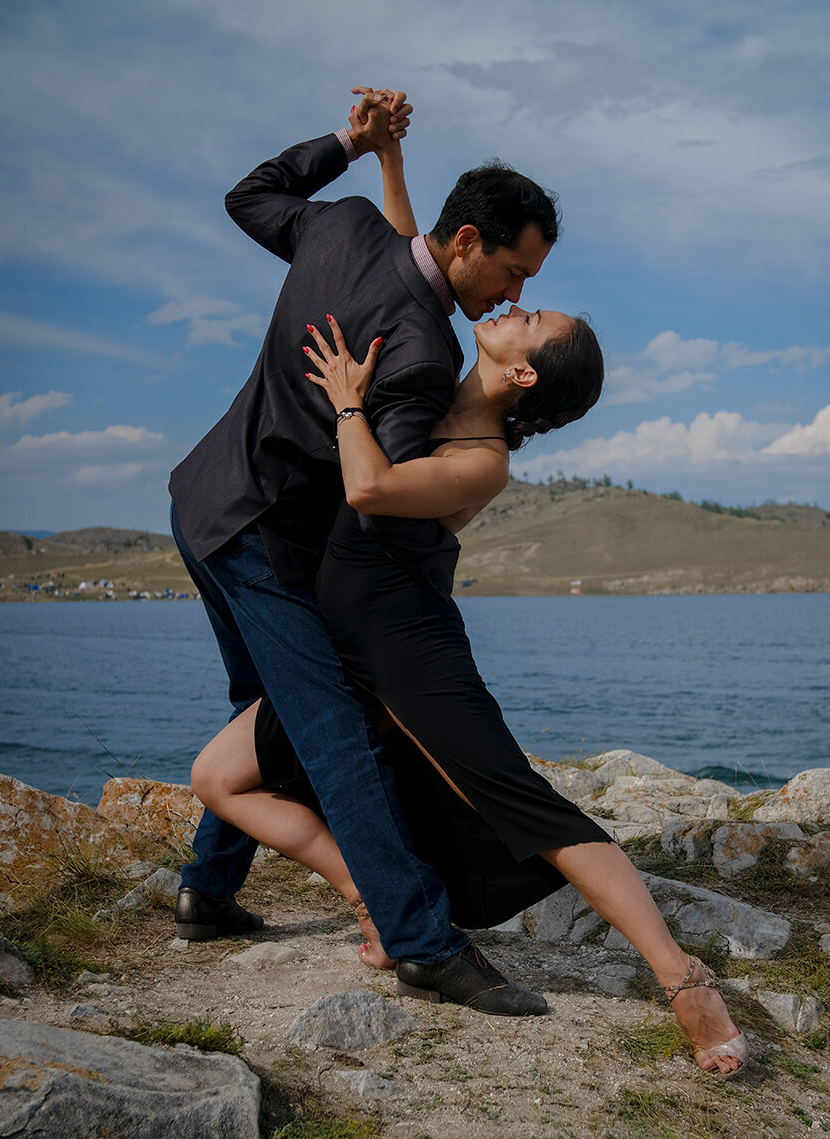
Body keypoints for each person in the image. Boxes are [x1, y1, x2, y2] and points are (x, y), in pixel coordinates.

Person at [192, 161, 748, 1080]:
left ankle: (685, 981)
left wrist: (341, 399)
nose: (514, 304)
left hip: (409, 647)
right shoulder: (438, 372)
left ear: (522, 367)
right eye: (519, 291)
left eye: (529, 316)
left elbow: (369, 486)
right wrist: (388, 161)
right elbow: (426, 259)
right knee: (220, 777)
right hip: (346, 642)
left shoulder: (482, 457)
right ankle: (374, 897)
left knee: (529, 806)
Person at [169, 86, 562, 1015]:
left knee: (261, 708)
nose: (516, 293)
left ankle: (207, 890)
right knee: (333, 731)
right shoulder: (422, 354)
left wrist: (357, 144)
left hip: (200, 504)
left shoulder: (341, 227)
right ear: (468, 241)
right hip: (266, 544)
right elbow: (378, 489)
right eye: (513, 271)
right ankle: (423, 939)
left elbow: (250, 195)